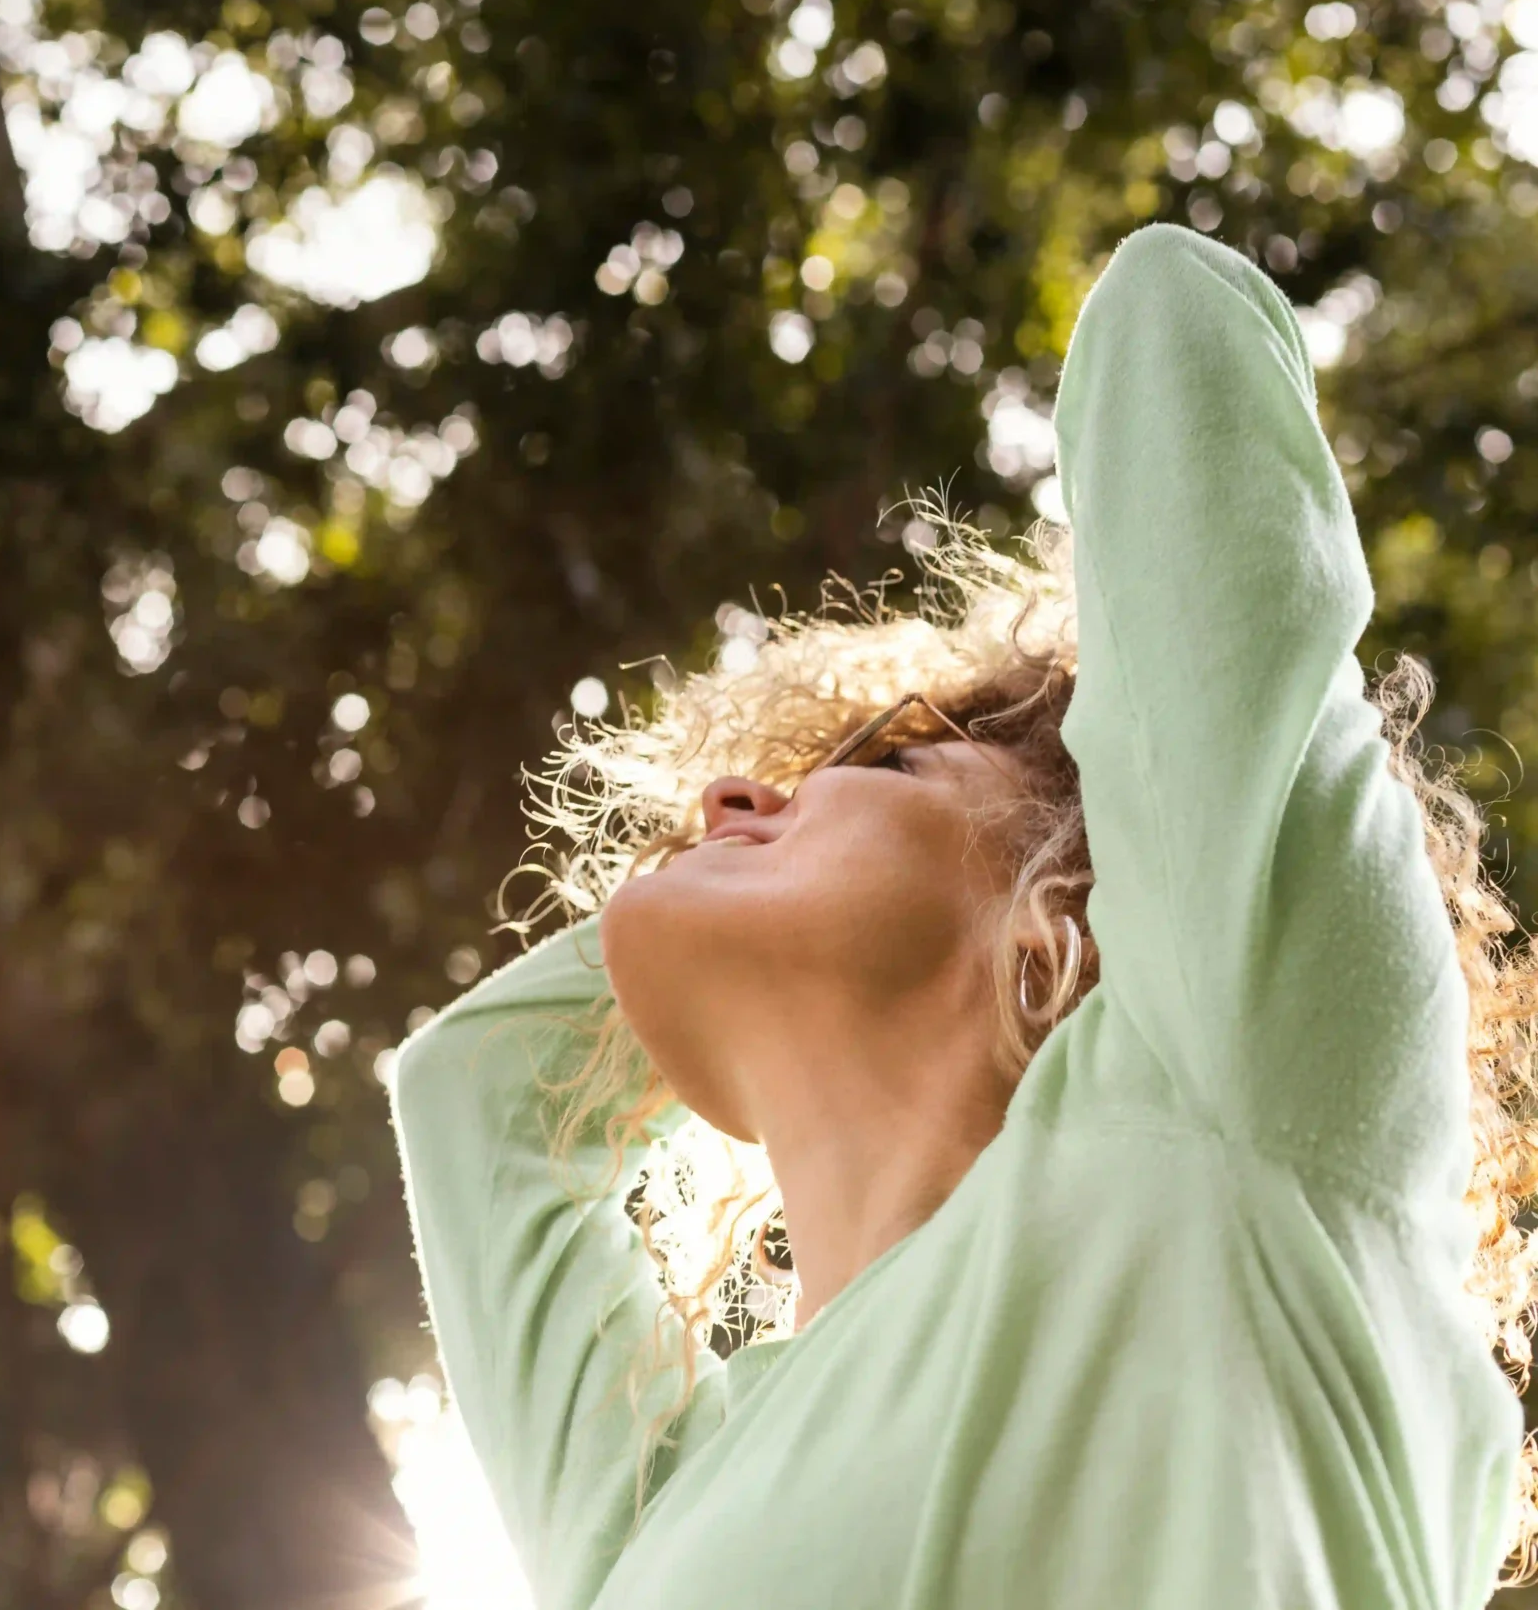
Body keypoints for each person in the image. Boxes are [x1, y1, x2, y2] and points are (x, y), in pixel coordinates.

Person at [390, 223, 1538, 1608]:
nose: (739, 793)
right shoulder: (664, 1504)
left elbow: (1175, 325)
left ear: (1081, 875)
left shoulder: (1223, 1105)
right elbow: (473, 1093)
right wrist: (705, 913)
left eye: (877, 760)